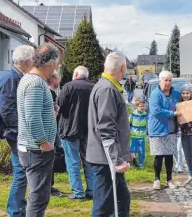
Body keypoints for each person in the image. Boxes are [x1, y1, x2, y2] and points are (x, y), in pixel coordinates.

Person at [16, 43, 60, 217]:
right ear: (51, 63)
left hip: (33, 148)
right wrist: (44, 143)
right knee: (39, 197)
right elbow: (32, 117)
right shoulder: (35, 83)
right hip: (37, 150)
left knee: (37, 196)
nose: (57, 66)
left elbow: (35, 112)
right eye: (57, 62)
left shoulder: (30, 79)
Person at [87, 52, 132, 217]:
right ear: (123, 68)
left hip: (106, 157)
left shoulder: (107, 86)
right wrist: (117, 159)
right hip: (104, 159)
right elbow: (106, 127)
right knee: (104, 206)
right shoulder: (107, 89)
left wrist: (124, 153)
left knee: (121, 201)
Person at [0, 45, 34, 217]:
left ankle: (18, 206)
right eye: (32, 60)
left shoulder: (17, 76)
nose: (34, 63)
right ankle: (15, 210)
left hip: (17, 132)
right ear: (26, 61)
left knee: (23, 171)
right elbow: (7, 110)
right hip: (15, 133)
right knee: (21, 172)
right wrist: (21, 129)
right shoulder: (11, 79)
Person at [57, 66, 95, 200]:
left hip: (69, 129)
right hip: (88, 130)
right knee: (89, 161)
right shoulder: (93, 87)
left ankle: (78, 192)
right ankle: (92, 190)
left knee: (72, 161)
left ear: (76, 74)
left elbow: (59, 105)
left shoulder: (68, 86)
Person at [148, 70, 181, 190]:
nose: (167, 83)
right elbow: (155, 111)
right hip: (158, 129)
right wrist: (173, 113)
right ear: (160, 80)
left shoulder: (176, 93)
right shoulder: (155, 94)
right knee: (159, 155)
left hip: (171, 129)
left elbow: (183, 104)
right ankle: (156, 179)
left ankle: (169, 179)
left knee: (169, 155)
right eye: (165, 80)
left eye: (169, 80)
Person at [47, 71, 64, 198]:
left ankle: (49, 185)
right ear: (53, 79)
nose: (59, 82)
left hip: (51, 130)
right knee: (49, 159)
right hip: (50, 131)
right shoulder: (50, 93)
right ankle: (48, 187)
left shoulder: (50, 93)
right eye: (58, 79)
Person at [129, 97, 148, 169]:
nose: (142, 107)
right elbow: (129, 123)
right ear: (136, 107)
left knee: (142, 151)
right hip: (134, 136)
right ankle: (132, 161)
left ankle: (141, 163)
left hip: (142, 137)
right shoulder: (133, 115)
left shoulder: (145, 115)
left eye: (143, 106)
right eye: (141, 106)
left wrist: (148, 133)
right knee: (133, 150)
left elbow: (148, 124)